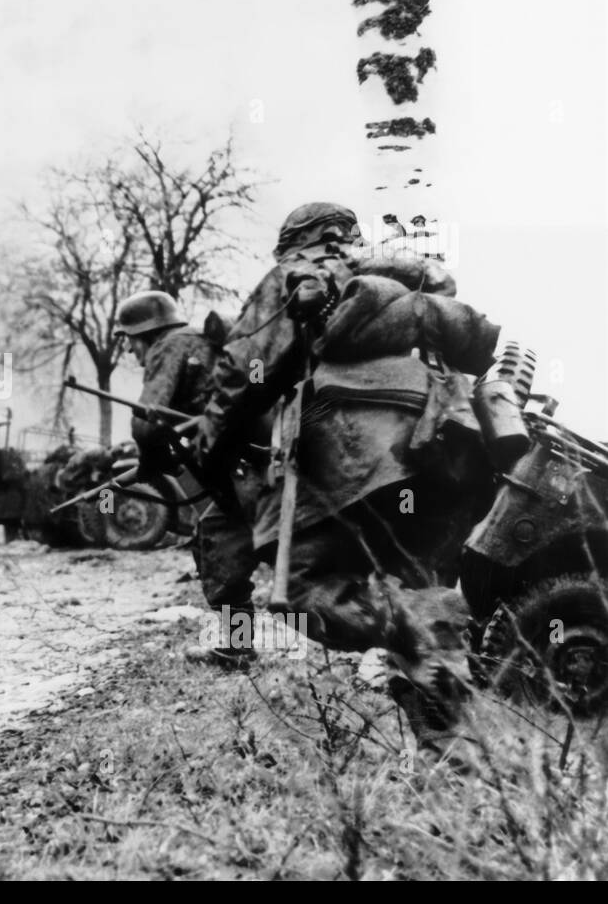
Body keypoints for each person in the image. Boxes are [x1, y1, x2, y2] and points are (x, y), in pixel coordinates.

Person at [195, 202, 498, 750]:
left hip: (363, 461)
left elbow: (245, 370)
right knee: (408, 582)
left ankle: (431, 633)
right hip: (444, 448)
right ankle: (447, 752)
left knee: (302, 592)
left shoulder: (299, 275)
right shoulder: (396, 284)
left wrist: (210, 441)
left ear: (296, 241)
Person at [115, 291, 264, 668]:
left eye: (131, 343)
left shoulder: (169, 347)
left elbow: (145, 422)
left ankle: (238, 647)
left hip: (239, 466)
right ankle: (238, 645)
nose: (133, 354)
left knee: (217, 541)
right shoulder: (205, 342)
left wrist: (150, 462)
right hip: (255, 458)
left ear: (143, 335)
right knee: (216, 536)